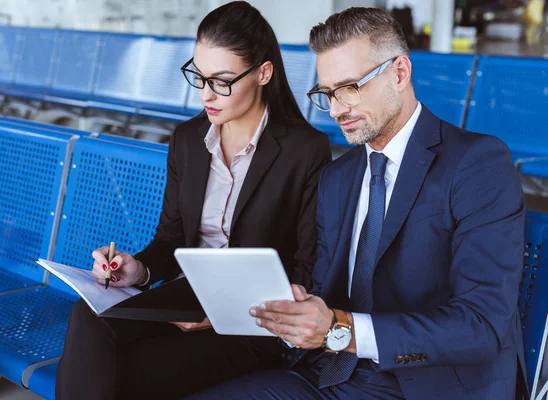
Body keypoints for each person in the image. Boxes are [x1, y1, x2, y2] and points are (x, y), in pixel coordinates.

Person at [188, 7, 527, 400]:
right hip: (331, 375)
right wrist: (292, 309)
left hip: (428, 385)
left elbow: (482, 325)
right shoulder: (339, 177)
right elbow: (326, 294)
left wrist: (342, 329)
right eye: (327, 93)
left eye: (350, 87)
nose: (336, 109)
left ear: (399, 73)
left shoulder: (475, 164)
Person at [55, 2, 331, 399]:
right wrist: (139, 270)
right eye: (198, 77)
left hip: (254, 321)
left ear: (263, 73)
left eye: (221, 81)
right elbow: (170, 238)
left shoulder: (305, 150)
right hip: (184, 299)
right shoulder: (188, 140)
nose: (205, 93)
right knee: (88, 316)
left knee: (115, 374)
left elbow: (307, 268)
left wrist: (223, 313)